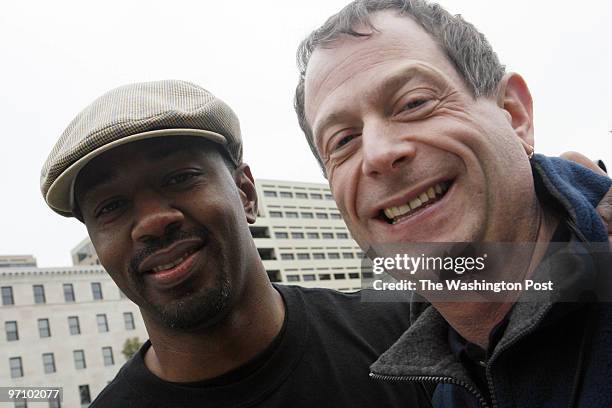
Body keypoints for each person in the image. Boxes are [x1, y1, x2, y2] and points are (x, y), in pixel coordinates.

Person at [294, 1, 612, 407]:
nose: (376, 154)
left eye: (414, 102)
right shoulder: (440, 384)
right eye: (342, 141)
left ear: (514, 115)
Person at [40, 80, 433, 407]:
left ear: (246, 192)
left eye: (179, 177)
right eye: (111, 206)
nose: (152, 222)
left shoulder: (409, 336)